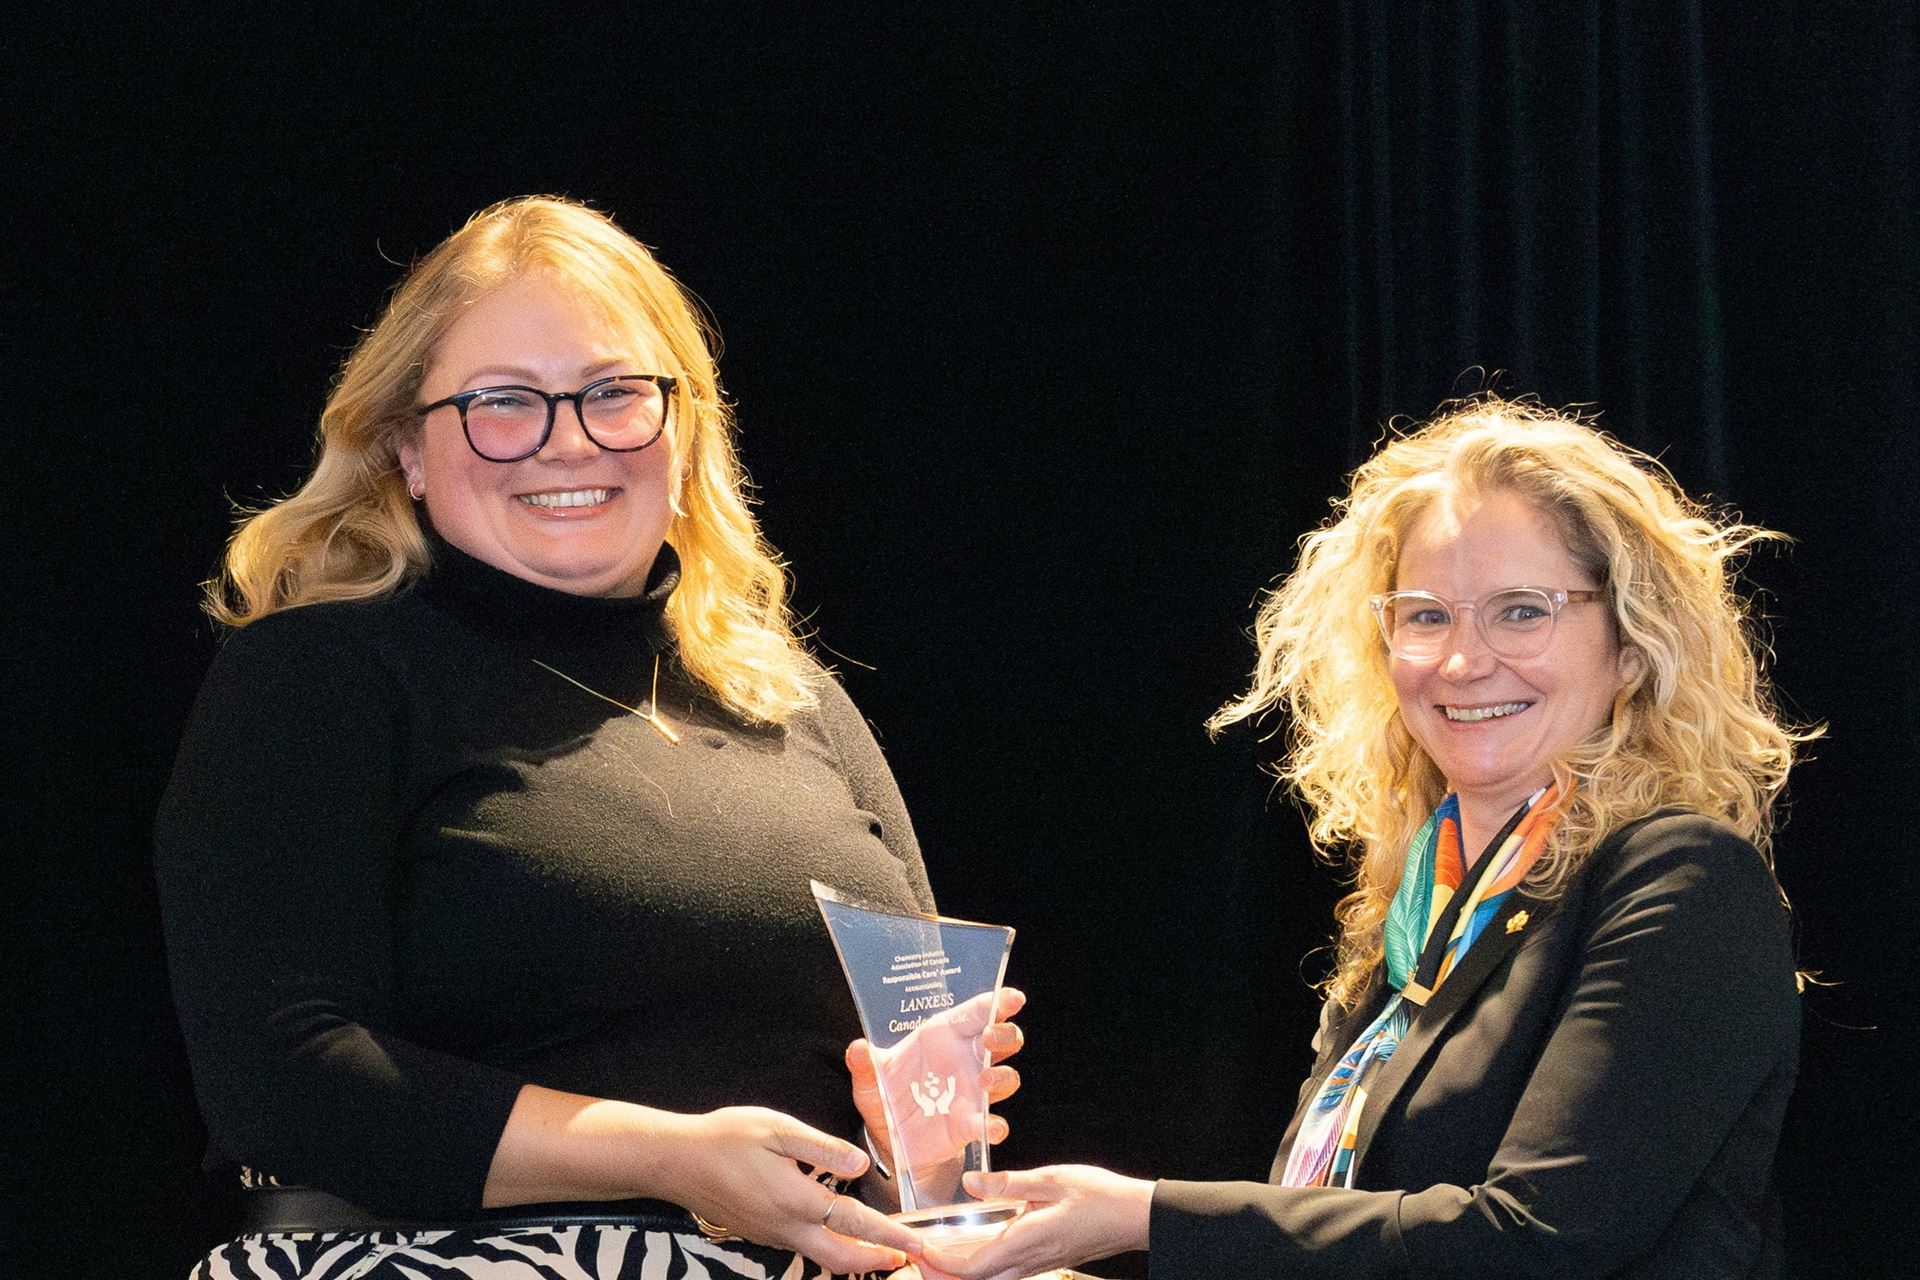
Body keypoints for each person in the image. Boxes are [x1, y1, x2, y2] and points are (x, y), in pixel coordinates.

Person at [155, 196, 1019, 1280]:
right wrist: (669, 1155)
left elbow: (922, 1076)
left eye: (615, 393)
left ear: (686, 426)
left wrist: (911, 1137)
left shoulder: (795, 702)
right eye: (504, 403)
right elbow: (283, 1076)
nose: (568, 439)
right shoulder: (321, 672)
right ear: (406, 451)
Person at [925, 398, 1806, 1279]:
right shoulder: (1418, 904)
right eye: (1426, 616)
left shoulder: (1678, 879)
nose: (1463, 661)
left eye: (1522, 611)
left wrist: (1143, 1216)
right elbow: (1348, 1237)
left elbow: (1539, 1242)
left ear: (1631, 642)